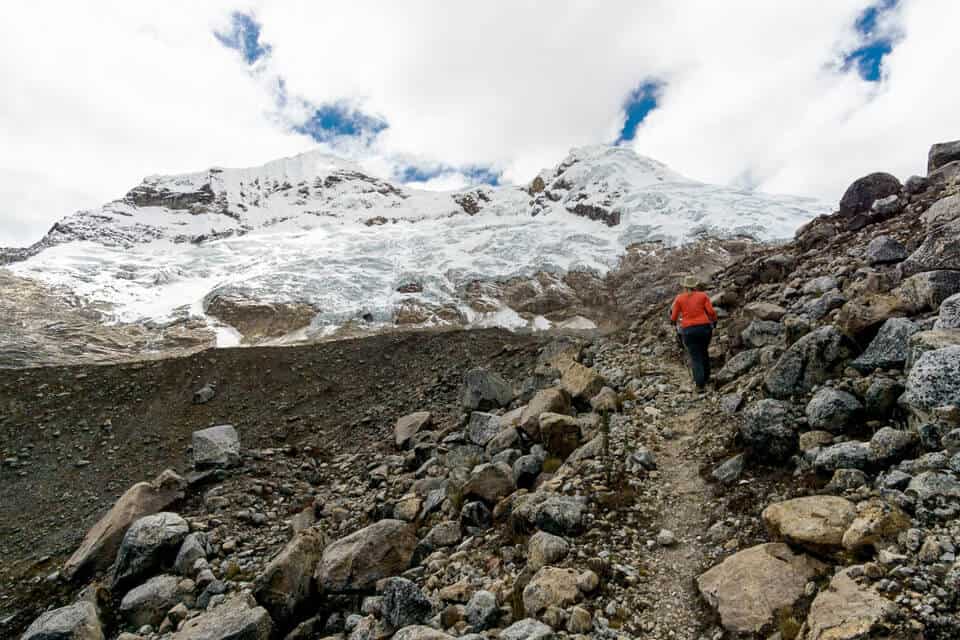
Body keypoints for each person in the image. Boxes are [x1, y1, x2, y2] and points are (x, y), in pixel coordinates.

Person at [670, 275, 717, 392]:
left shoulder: (679, 298)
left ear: (685, 286)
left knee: (695, 356)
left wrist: (672, 322)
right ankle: (707, 377)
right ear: (695, 286)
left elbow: (674, 316)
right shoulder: (703, 296)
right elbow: (711, 312)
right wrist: (714, 321)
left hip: (688, 330)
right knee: (704, 351)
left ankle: (700, 385)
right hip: (704, 328)